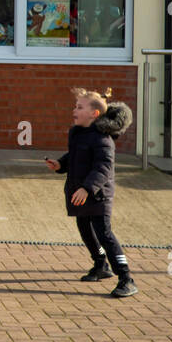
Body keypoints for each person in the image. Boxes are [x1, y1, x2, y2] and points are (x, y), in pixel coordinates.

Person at [45, 88, 136, 298]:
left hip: (97, 195)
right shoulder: (79, 133)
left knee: (104, 233)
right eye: (75, 106)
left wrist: (87, 188)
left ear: (94, 114)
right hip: (79, 192)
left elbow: (103, 167)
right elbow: (75, 156)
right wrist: (60, 164)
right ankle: (100, 265)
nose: (74, 110)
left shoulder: (102, 139)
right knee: (84, 228)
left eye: (79, 107)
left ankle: (126, 278)